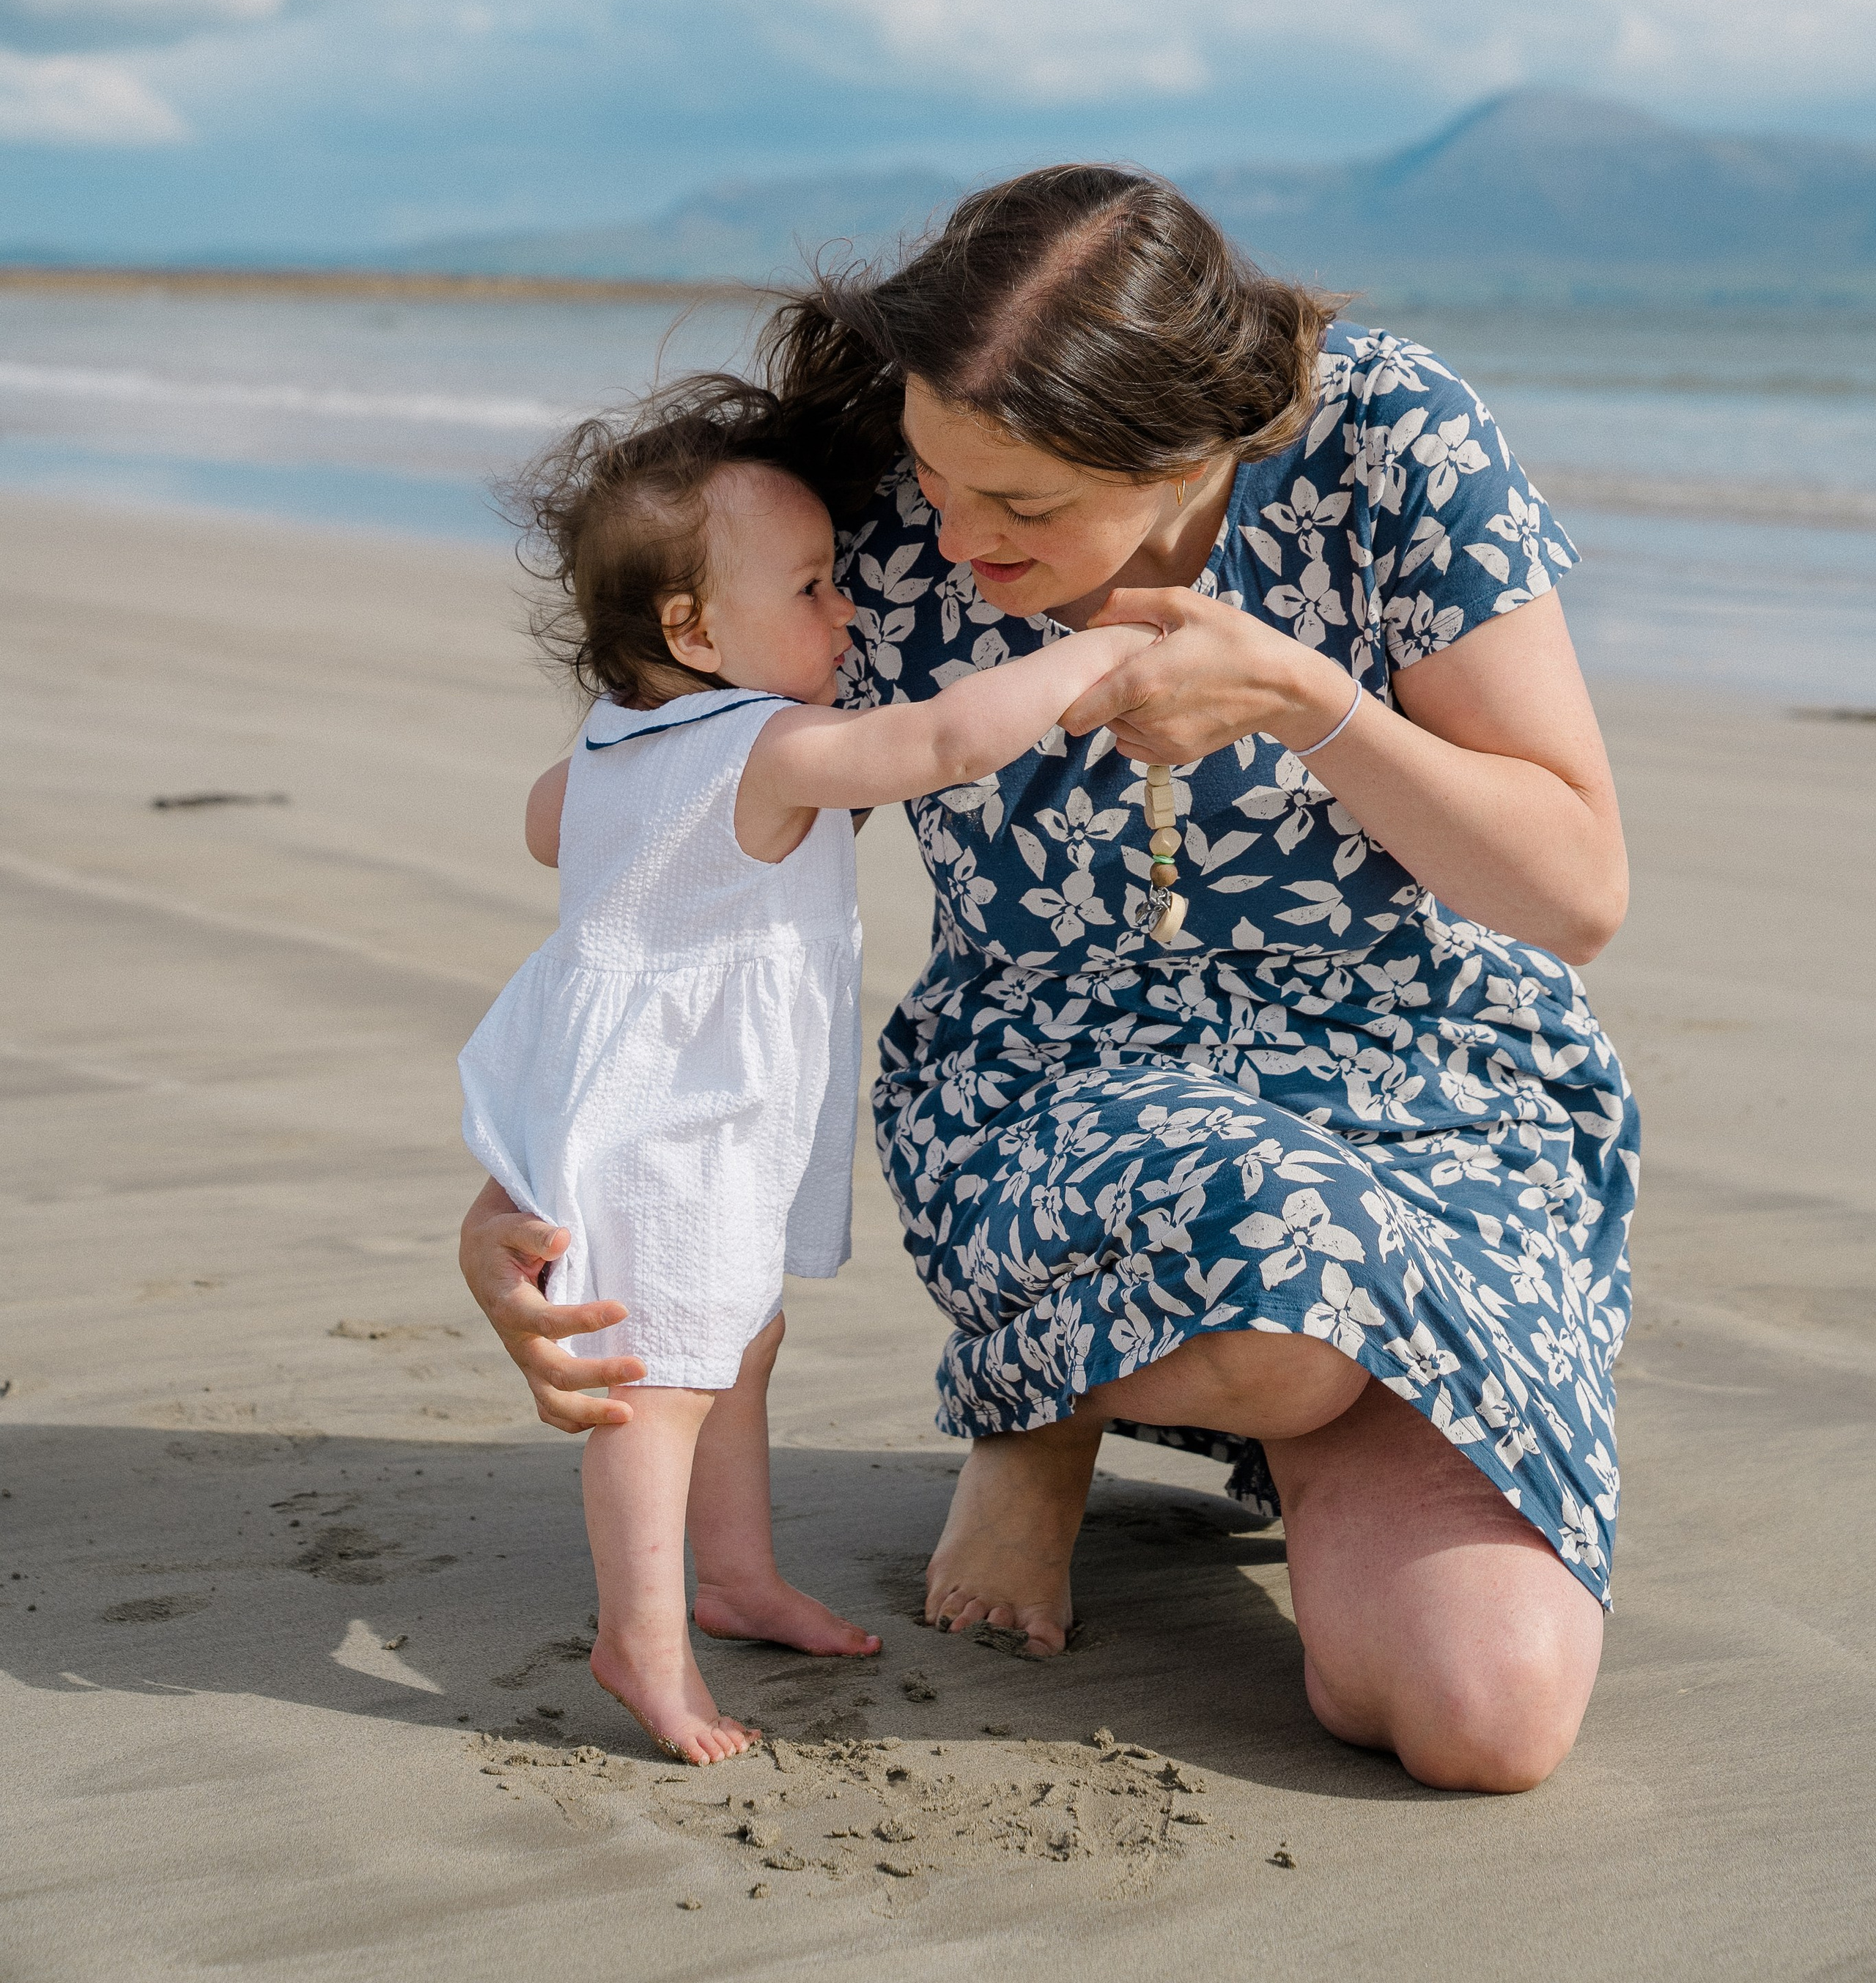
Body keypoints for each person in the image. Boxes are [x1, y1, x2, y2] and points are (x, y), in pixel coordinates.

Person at [460, 166, 1637, 1795]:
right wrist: (531, 1181)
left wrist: (1308, 701)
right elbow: (654, 845)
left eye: (1017, 503)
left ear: (1189, 449)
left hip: (1427, 1082)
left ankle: (1231, 1390)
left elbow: (1575, 896)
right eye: (936, 477)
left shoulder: (1390, 441)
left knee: (1484, 1719)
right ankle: (1044, 1414)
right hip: (1056, 1092)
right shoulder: (859, 500)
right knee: (1273, 1255)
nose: (950, 537)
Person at [457, 378, 1156, 1764]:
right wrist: (1098, 651)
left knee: (735, 1338)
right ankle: (642, 1641)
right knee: (659, 1382)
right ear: (693, 632)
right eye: (815, 588)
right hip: (678, 1118)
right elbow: (942, 742)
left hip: (642, 1094)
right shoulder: (767, 745)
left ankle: (735, 1578)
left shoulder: (611, 744)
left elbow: (549, 828)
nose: (851, 615)